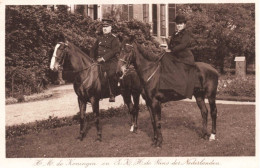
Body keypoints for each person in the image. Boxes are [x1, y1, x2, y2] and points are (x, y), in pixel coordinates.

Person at [159, 14, 202, 99]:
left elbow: (183, 45)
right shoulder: (175, 33)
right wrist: (167, 47)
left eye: (181, 24)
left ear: (184, 24)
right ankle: (165, 83)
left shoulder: (186, 34)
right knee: (162, 57)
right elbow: (171, 44)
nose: (179, 25)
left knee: (166, 58)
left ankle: (178, 87)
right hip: (175, 55)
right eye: (177, 24)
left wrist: (172, 50)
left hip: (185, 57)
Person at [90, 19, 120, 102]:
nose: (105, 28)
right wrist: (92, 58)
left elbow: (114, 51)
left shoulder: (114, 38)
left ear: (111, 28)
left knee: (111, 74)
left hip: (111, 61)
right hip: (99, 61)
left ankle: (112, 94)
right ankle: (97, 93)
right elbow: (93, 49)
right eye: (103, 27)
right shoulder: (99, 38)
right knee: (94, 73)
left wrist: (103, 58)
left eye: (107, 27)